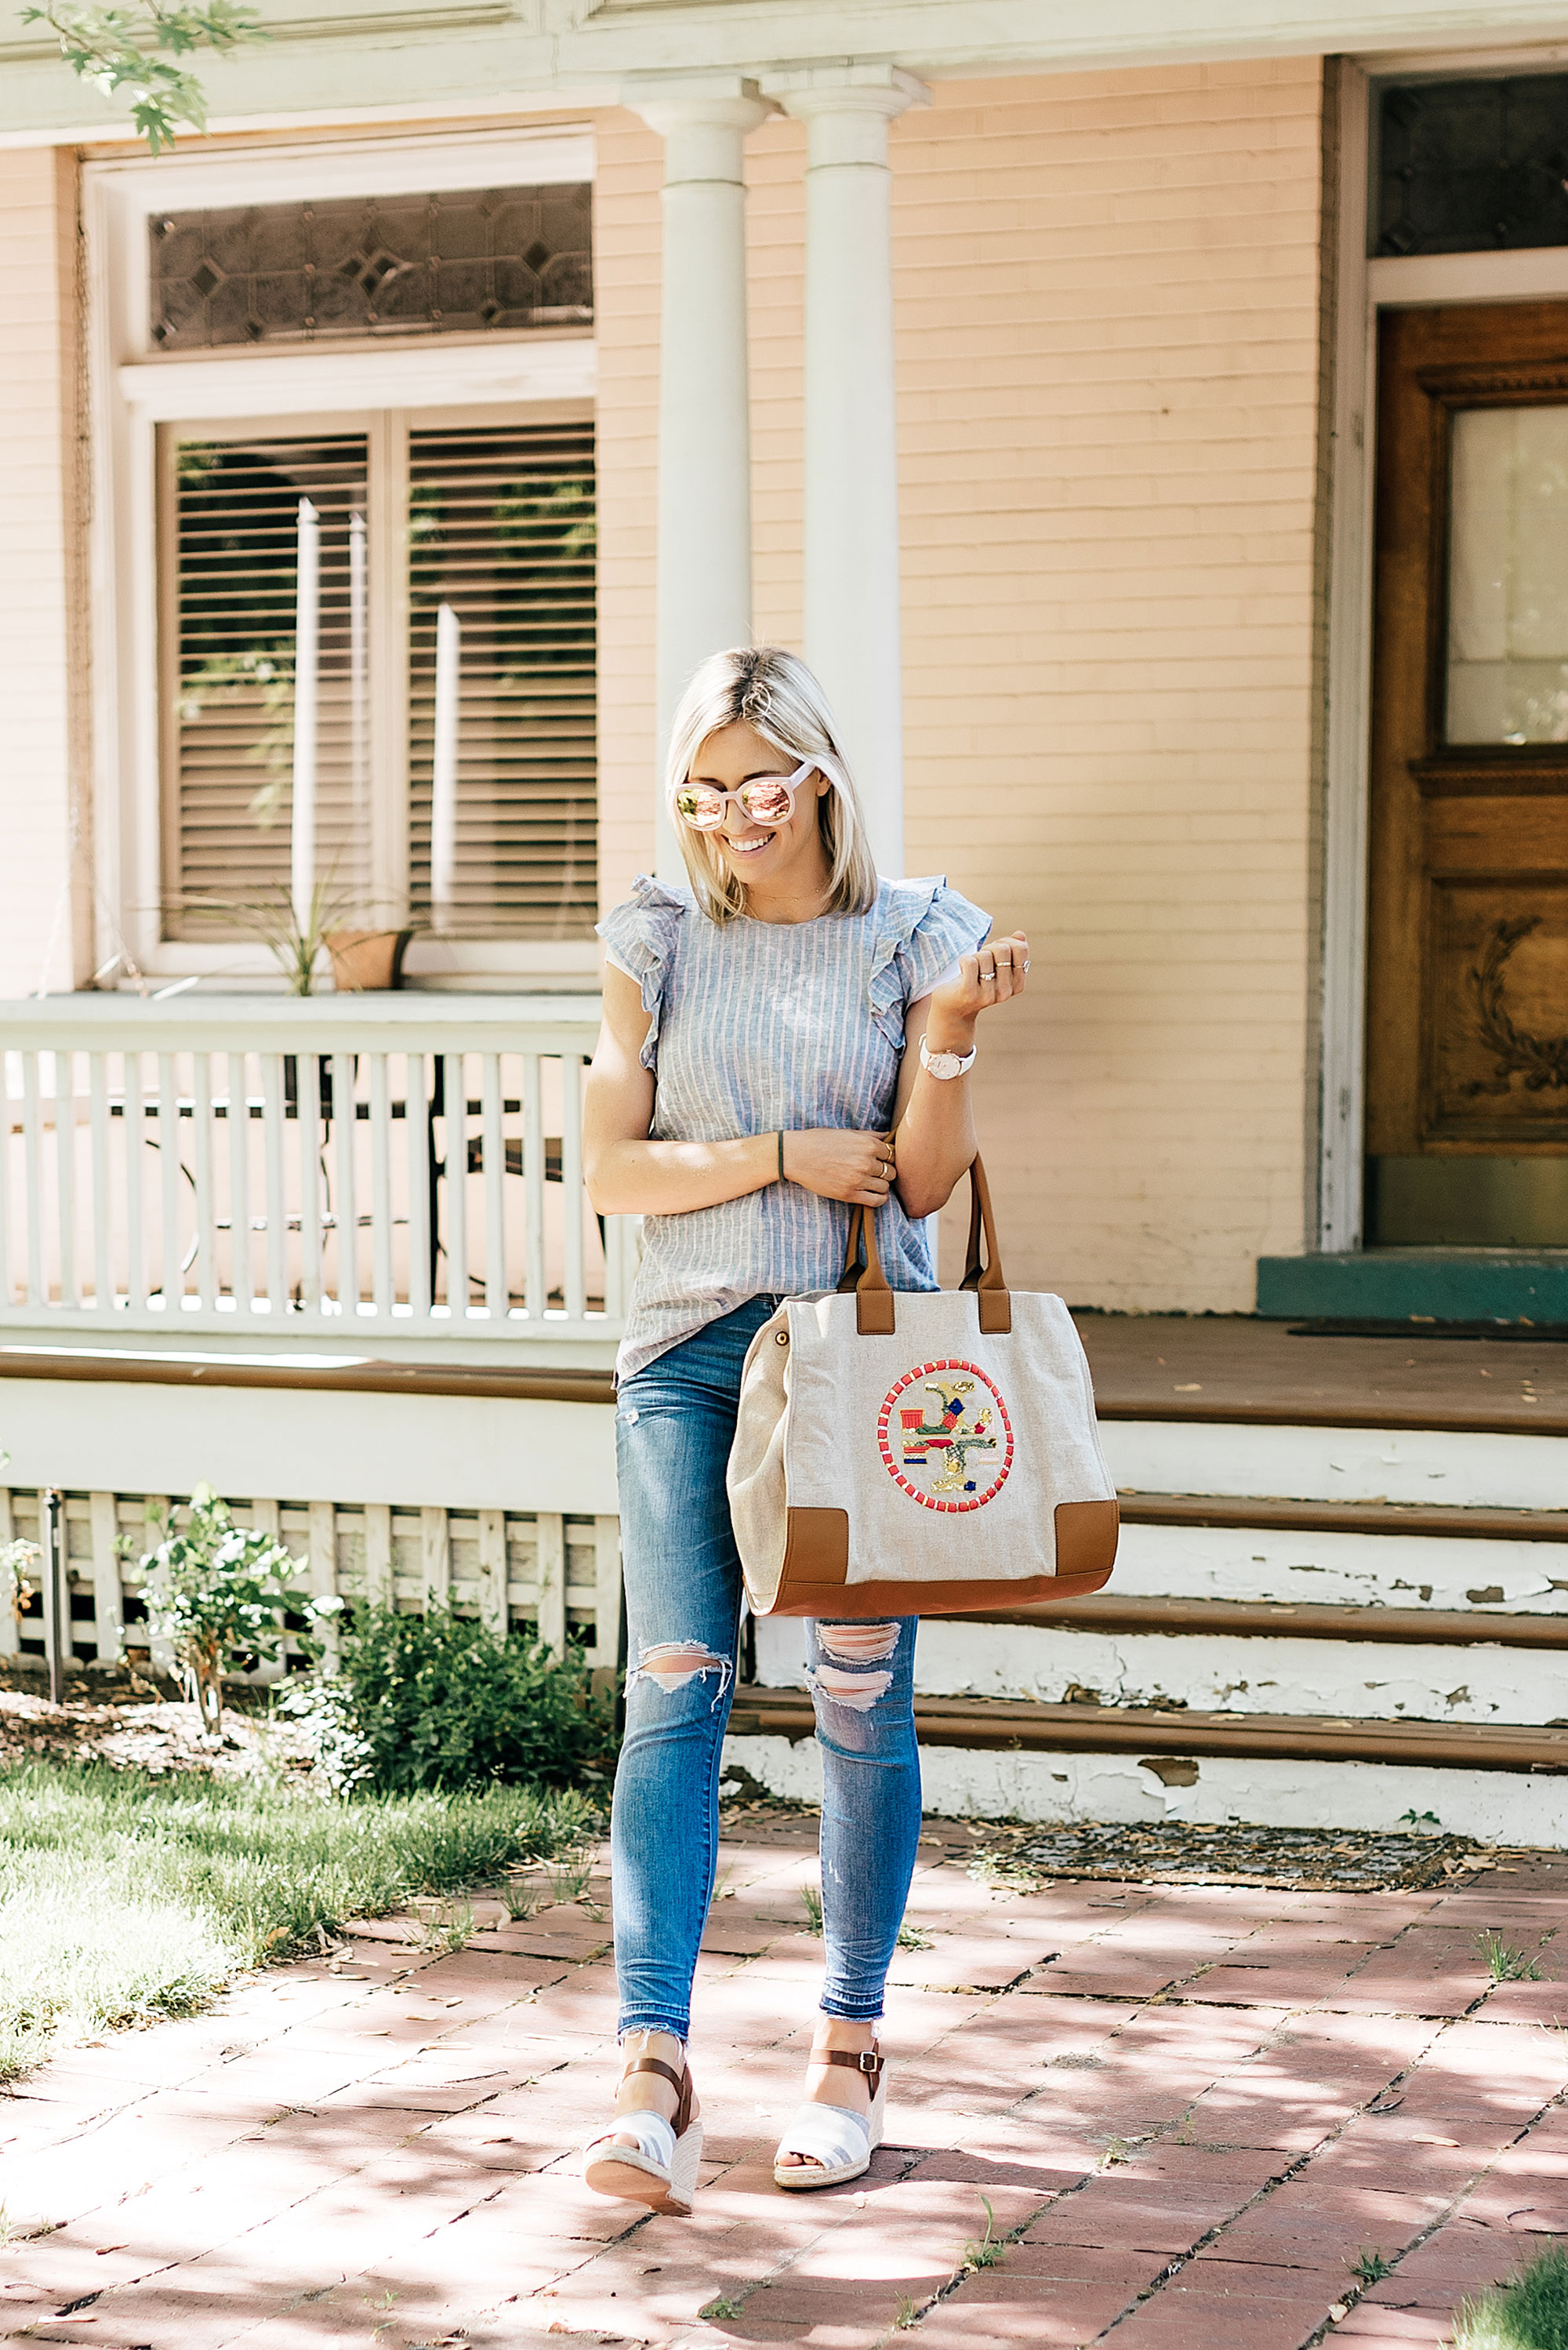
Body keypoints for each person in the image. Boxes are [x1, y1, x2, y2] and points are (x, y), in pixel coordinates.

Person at [579, 645, 1028, 2213]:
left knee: (855, 1698)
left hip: (852, 1363)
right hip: (689, 1352)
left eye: (754, 790)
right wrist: (775, 1150)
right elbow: (614, 1172)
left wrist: (952, 1030)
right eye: (700, 794)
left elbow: (915, 1185)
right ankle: (653, 2071)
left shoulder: (915, 933)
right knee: (674, 1690)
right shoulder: (658, 935)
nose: (725, 821)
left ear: (819, 778)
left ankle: (849, 2049)